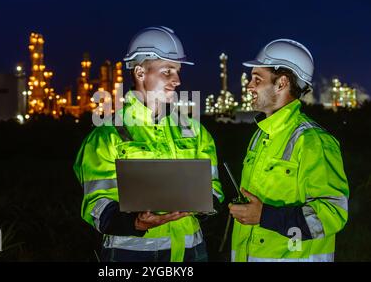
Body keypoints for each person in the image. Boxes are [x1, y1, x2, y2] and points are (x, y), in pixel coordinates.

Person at [73, 26, 224, 262]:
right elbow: (96, 205)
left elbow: (214, 187)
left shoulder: (194, 131)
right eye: (168, 72)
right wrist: (135, 222)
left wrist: (204, 205)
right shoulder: (108, 135)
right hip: (131, 254)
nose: (177, 80)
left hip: (190, 253)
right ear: (141, 73)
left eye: (178, 71)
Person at [229, 39, 349, 262]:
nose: (249, 87)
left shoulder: (314, 141)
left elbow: (333, 213)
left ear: (281, 83)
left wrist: (264, 216)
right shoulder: (261, 134)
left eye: (257, 79)